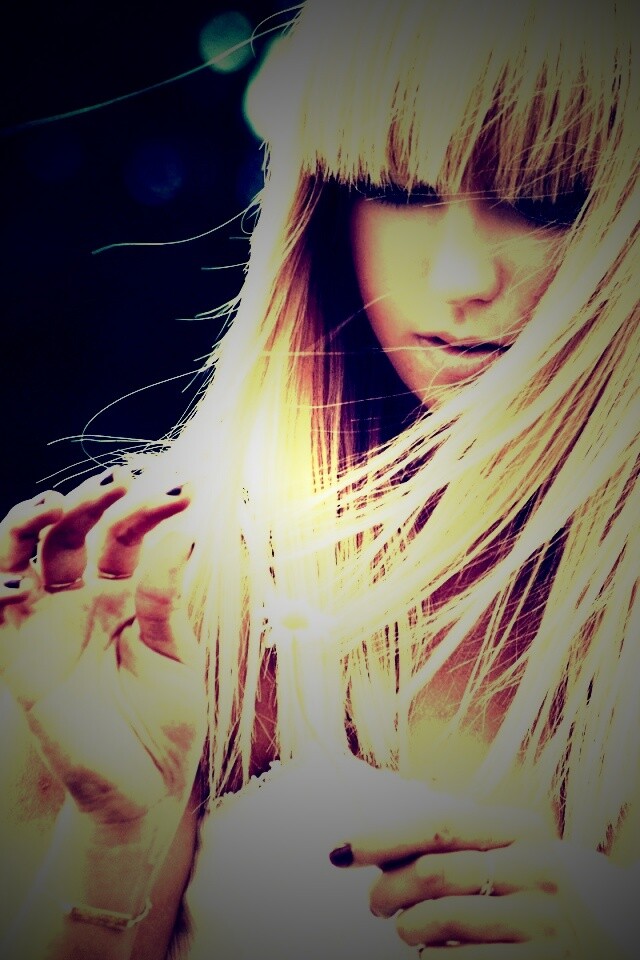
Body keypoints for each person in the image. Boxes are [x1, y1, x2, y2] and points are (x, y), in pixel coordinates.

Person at [1, 0, 638, 956]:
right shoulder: (165, 593)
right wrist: (116, 838)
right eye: (399, 188)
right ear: (321, 203)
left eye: (546, 198)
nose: (460, 277)